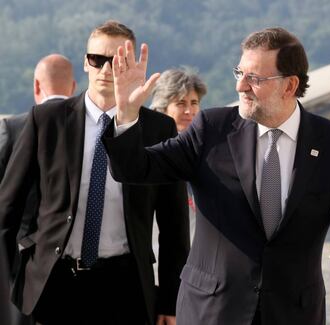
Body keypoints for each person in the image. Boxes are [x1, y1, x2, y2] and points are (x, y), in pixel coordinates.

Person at [103, 27, 330, 325]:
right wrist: (125, 116)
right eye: (238, 73)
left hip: (293, 314)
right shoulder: (211, 129)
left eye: (254, 78)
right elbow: (136, 168)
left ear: (289, 85)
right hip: (212, 311)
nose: (240, 86)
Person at [0, 20, 189, 325]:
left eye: (116, 61)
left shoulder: (159, 129)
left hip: (126, 285)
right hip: (53, 284)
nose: (105, 69)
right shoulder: (46, 120)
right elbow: (7, 210)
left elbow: (174, 227)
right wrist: (14, 282)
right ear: (85, 63)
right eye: (96, 60)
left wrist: (170, 299)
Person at [0, 53, 76, 325]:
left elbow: (4, 204)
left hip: (22, 263)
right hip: (79, 264)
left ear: (36, 86)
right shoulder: (92, 129)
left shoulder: (13, 127)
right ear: (74, 87)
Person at [150, 68, 207, 249]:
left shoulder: (207, 150)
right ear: (162, 107)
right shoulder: (152, 154)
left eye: (194, 102)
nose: (189, 111)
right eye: (181, 103)